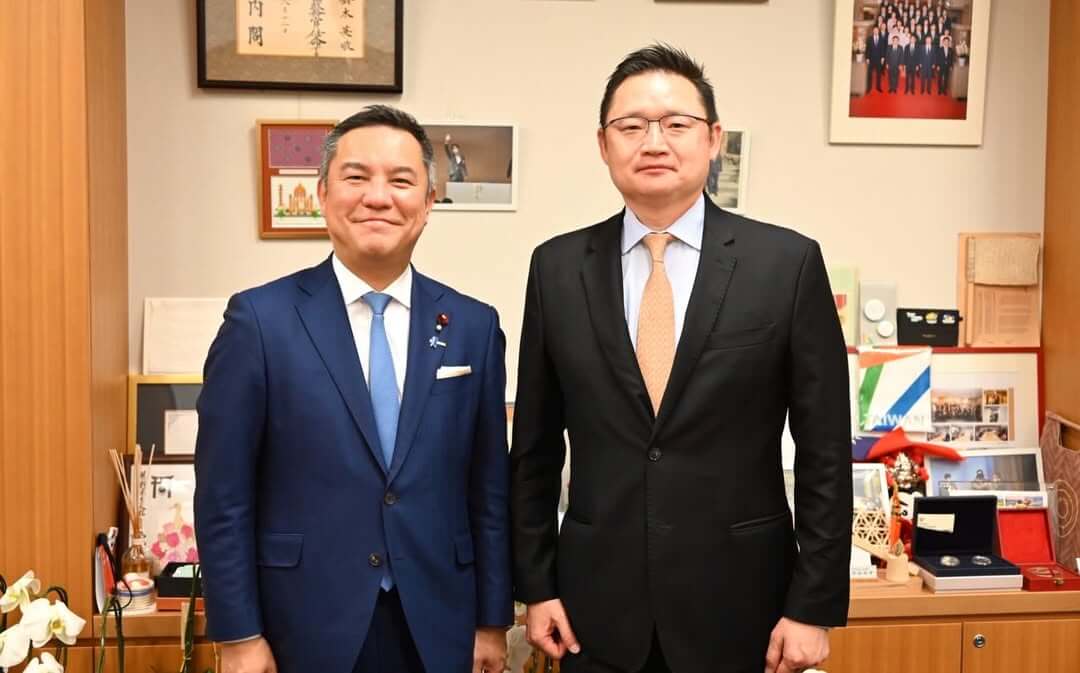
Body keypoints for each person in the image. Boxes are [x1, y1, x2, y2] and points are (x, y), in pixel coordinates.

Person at [510, 44, 852, 673]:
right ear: (603, 144)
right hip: (593, 611)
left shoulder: (786, 265)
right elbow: (533, 448)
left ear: (713, 138)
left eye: (676, 124)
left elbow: (825, 451)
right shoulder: (556, 268)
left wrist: (813, 605)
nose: (654, 142)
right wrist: (536, 586)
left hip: (743, 608)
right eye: (631, 126)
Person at [194, 105, 512, 673]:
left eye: (401, 181)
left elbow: (488, 489)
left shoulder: (473, 326)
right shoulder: (259, 322)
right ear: (322, 194)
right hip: (301, 625)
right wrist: (239, 635)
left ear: (429, 202)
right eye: (357, 177)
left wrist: (492, 620)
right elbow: (224, 495)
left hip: (439, 624)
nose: (378, 197)